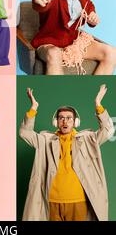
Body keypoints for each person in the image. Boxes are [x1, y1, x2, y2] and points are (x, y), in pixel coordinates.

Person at [19, 85, 114, 221]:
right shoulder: (45, 140)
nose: (65, 121)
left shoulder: (88, 138)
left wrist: (98, 104)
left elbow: (107, 130)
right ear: (56, 122)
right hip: (51, 202)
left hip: (78, 201)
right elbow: (24, 133)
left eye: (69, 118)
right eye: (61, 118)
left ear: (75, 122)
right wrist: (33, 107)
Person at [31, 0, 116, 75]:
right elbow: (40, 5)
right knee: (54, 53)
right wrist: (38, 0)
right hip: (49, 42)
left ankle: (94, 93)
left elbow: (88, 4)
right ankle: (56, 94)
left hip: (73, 40)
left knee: (111, 52)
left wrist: (92, 14)